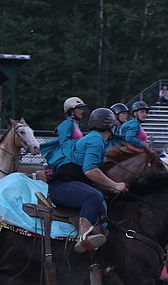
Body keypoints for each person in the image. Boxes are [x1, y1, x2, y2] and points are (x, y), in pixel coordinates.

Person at [47, 107, 128, 253]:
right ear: (111, 127)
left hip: (65, 184)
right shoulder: (96, 140)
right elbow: (90, 170)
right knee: (94, 196)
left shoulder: (93, 138)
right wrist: (115, 184)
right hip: (61, 187)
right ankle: (83, 237)